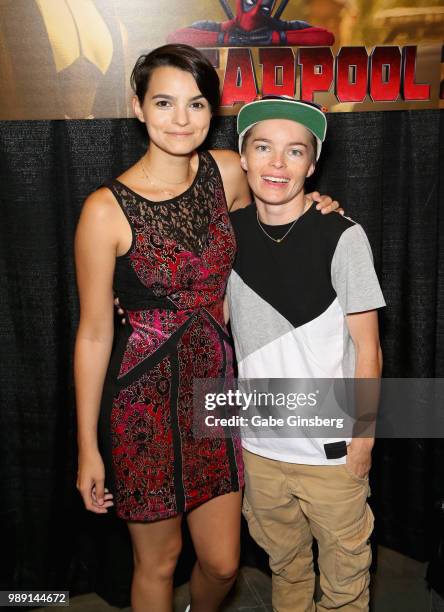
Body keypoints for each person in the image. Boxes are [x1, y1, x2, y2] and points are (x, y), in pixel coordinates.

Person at [74, 44, 338, 612]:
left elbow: (276, 214)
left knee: (221, 563)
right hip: (140, 402)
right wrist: (87, 449)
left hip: (215, 393)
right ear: (138, 107)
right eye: (164, 103)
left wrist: (315, 203)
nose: (181, 119)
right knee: (159, 562)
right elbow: (94, 333)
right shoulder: (105, 209)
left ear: (211, 111)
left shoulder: (225, 172)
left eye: (195, 104)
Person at [226, 96, 386, 611]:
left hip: (331, 452)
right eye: (264, 148)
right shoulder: (224, 238)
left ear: (312, 165)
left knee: (345, 584)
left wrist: (362, 441)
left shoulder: (342, 235)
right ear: (243, 157)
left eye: (294, 152)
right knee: (286, 571)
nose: (277, 163)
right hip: (259, 450)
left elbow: (370, 350)